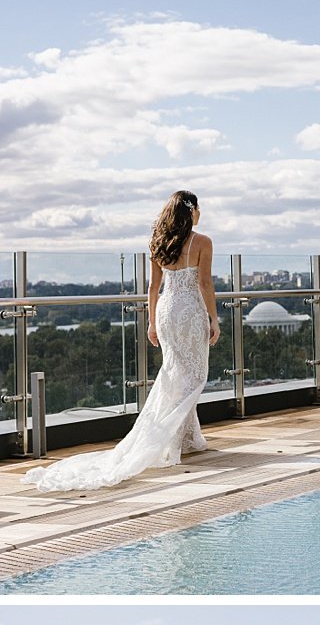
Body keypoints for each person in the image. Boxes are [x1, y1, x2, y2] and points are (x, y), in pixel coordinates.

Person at [30, 190, 220, 493]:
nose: (201, 213)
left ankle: (188, 438)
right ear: (191, 211)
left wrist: (151, 322)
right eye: (199, 208)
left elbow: (153, 287)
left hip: (167, 311)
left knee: (176, 373)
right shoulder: (202, 242)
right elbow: (205, 283)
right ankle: (168, 440)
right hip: (190, 311)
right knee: (193, 375)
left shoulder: (159, 242)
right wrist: (213, 317)